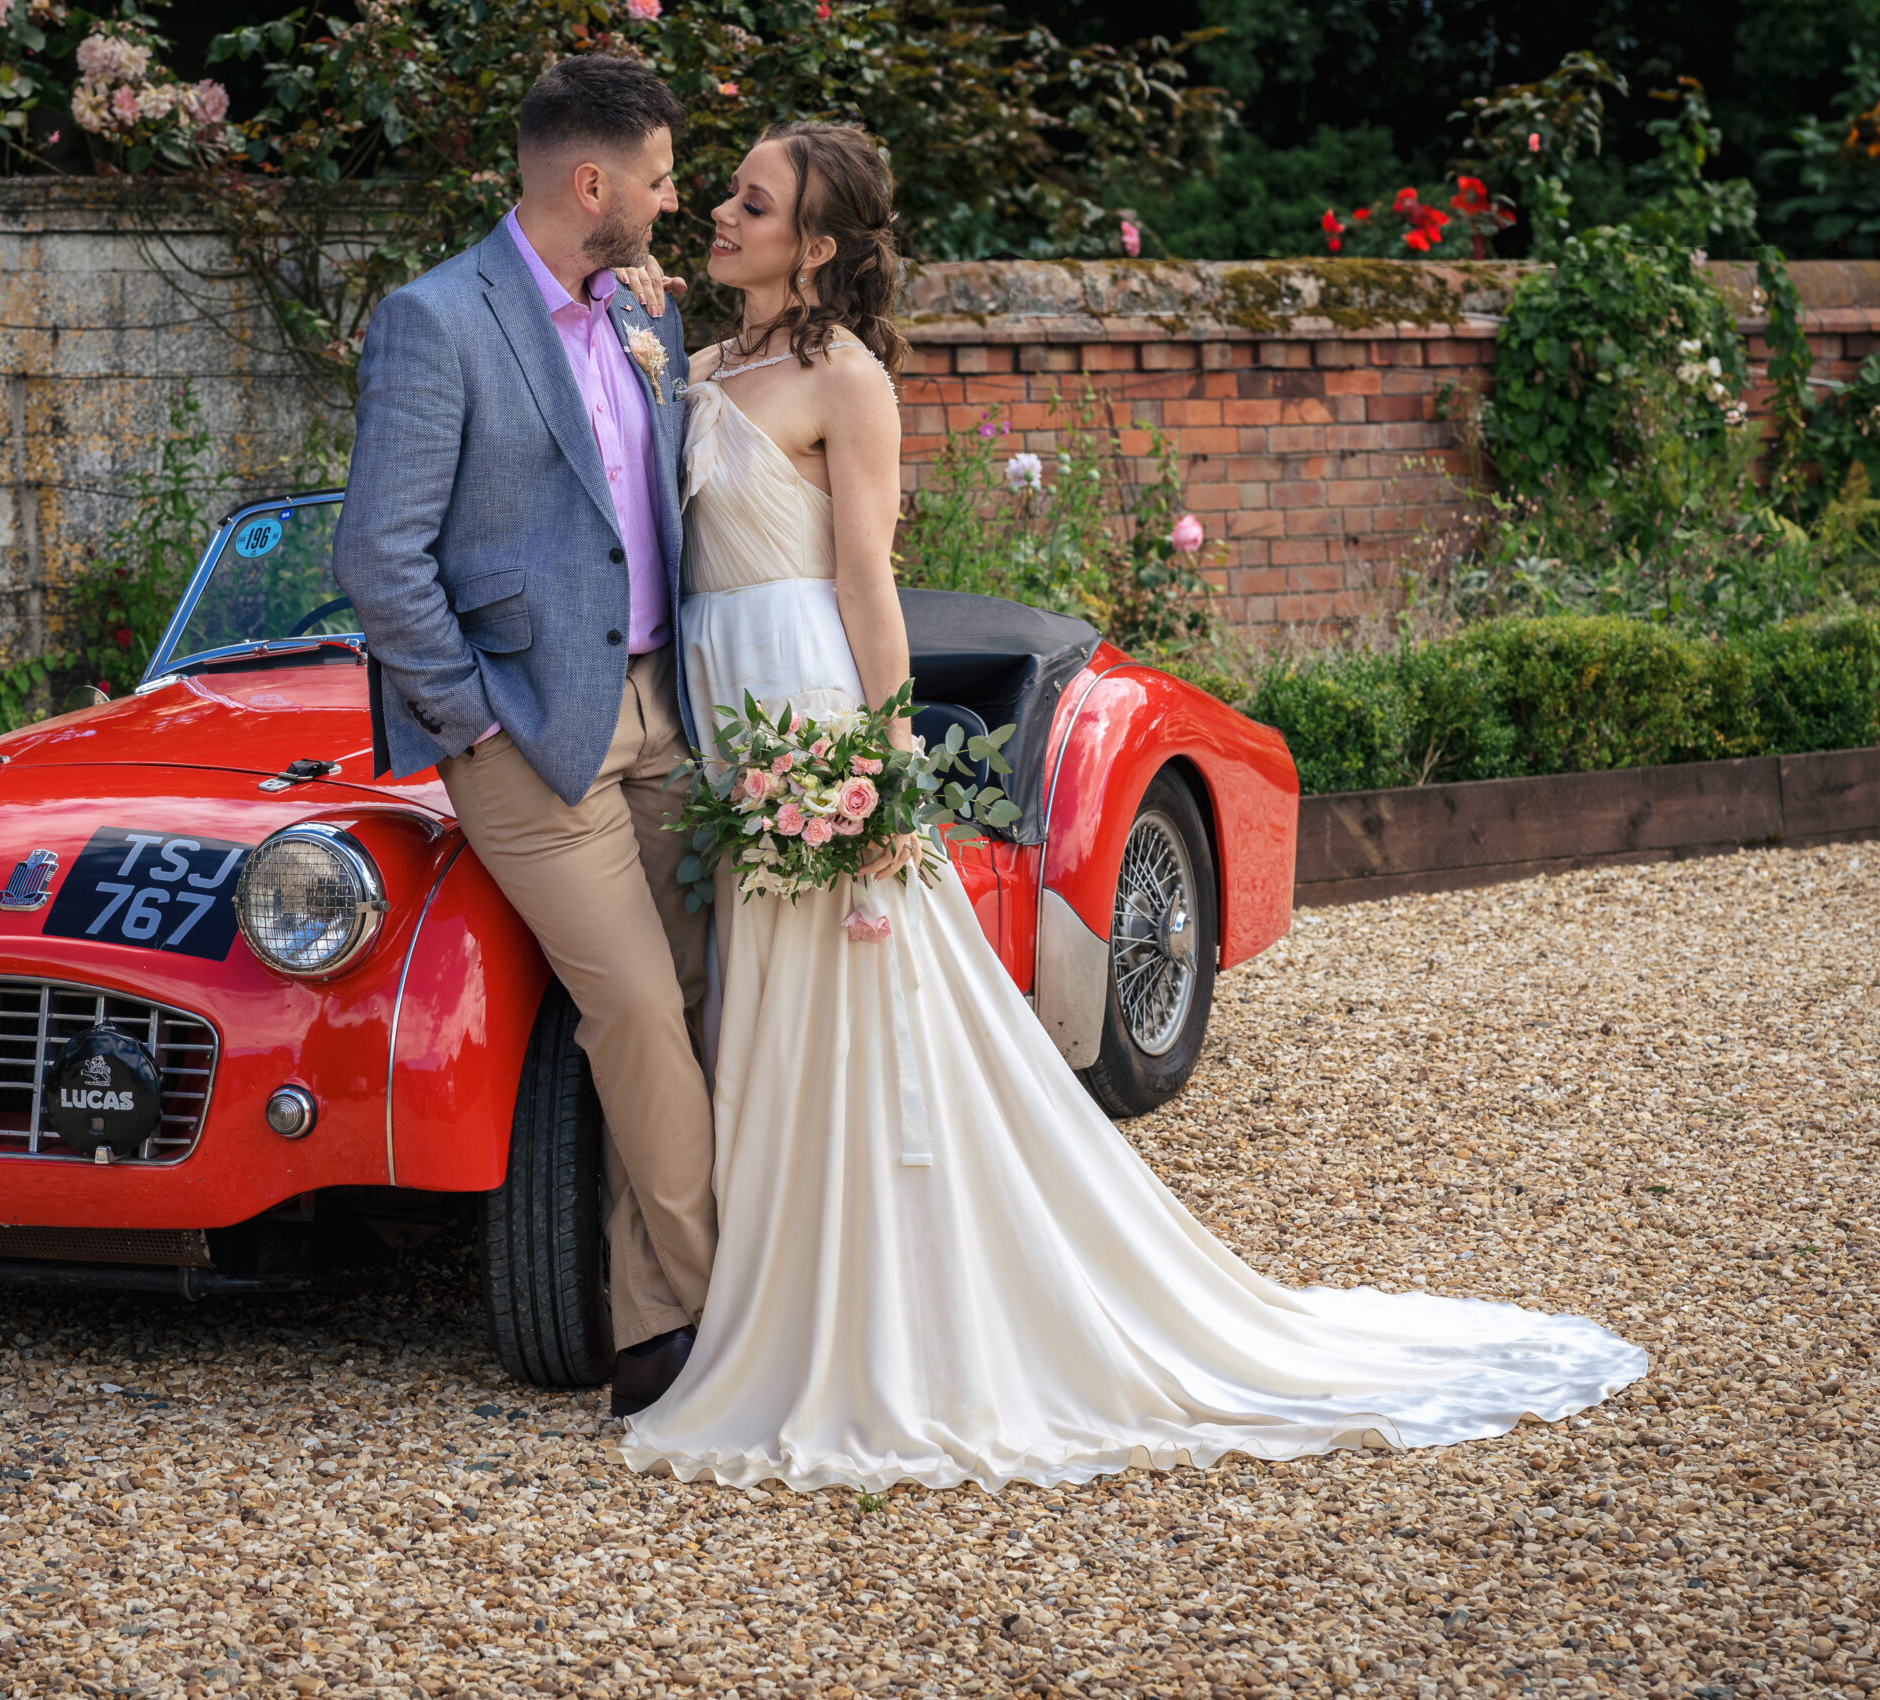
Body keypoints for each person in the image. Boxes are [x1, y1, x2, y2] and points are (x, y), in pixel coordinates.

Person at [611, 122, 1648, 1491]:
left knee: (850, 1019)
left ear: (815, 245)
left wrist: (878, 775)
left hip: (806, 715)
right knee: (756, 1015)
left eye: (753, 202)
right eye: (728, 192)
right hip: (718, 710)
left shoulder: (844, 381)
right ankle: (769, 1291)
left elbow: (869, 584)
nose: (723, 215)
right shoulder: (703, 363)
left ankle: (882, 1321)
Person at [335, 56, 711, 1416]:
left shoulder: (634, 317)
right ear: (592, 184)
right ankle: (728, 1317)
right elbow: (379, 555)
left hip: (669, 714)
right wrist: (471, 719)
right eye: (662, 180)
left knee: (721, 992)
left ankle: (648, 1327)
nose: (675, 204)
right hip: (526, 738)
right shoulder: (439, 321)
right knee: (636, 1015)